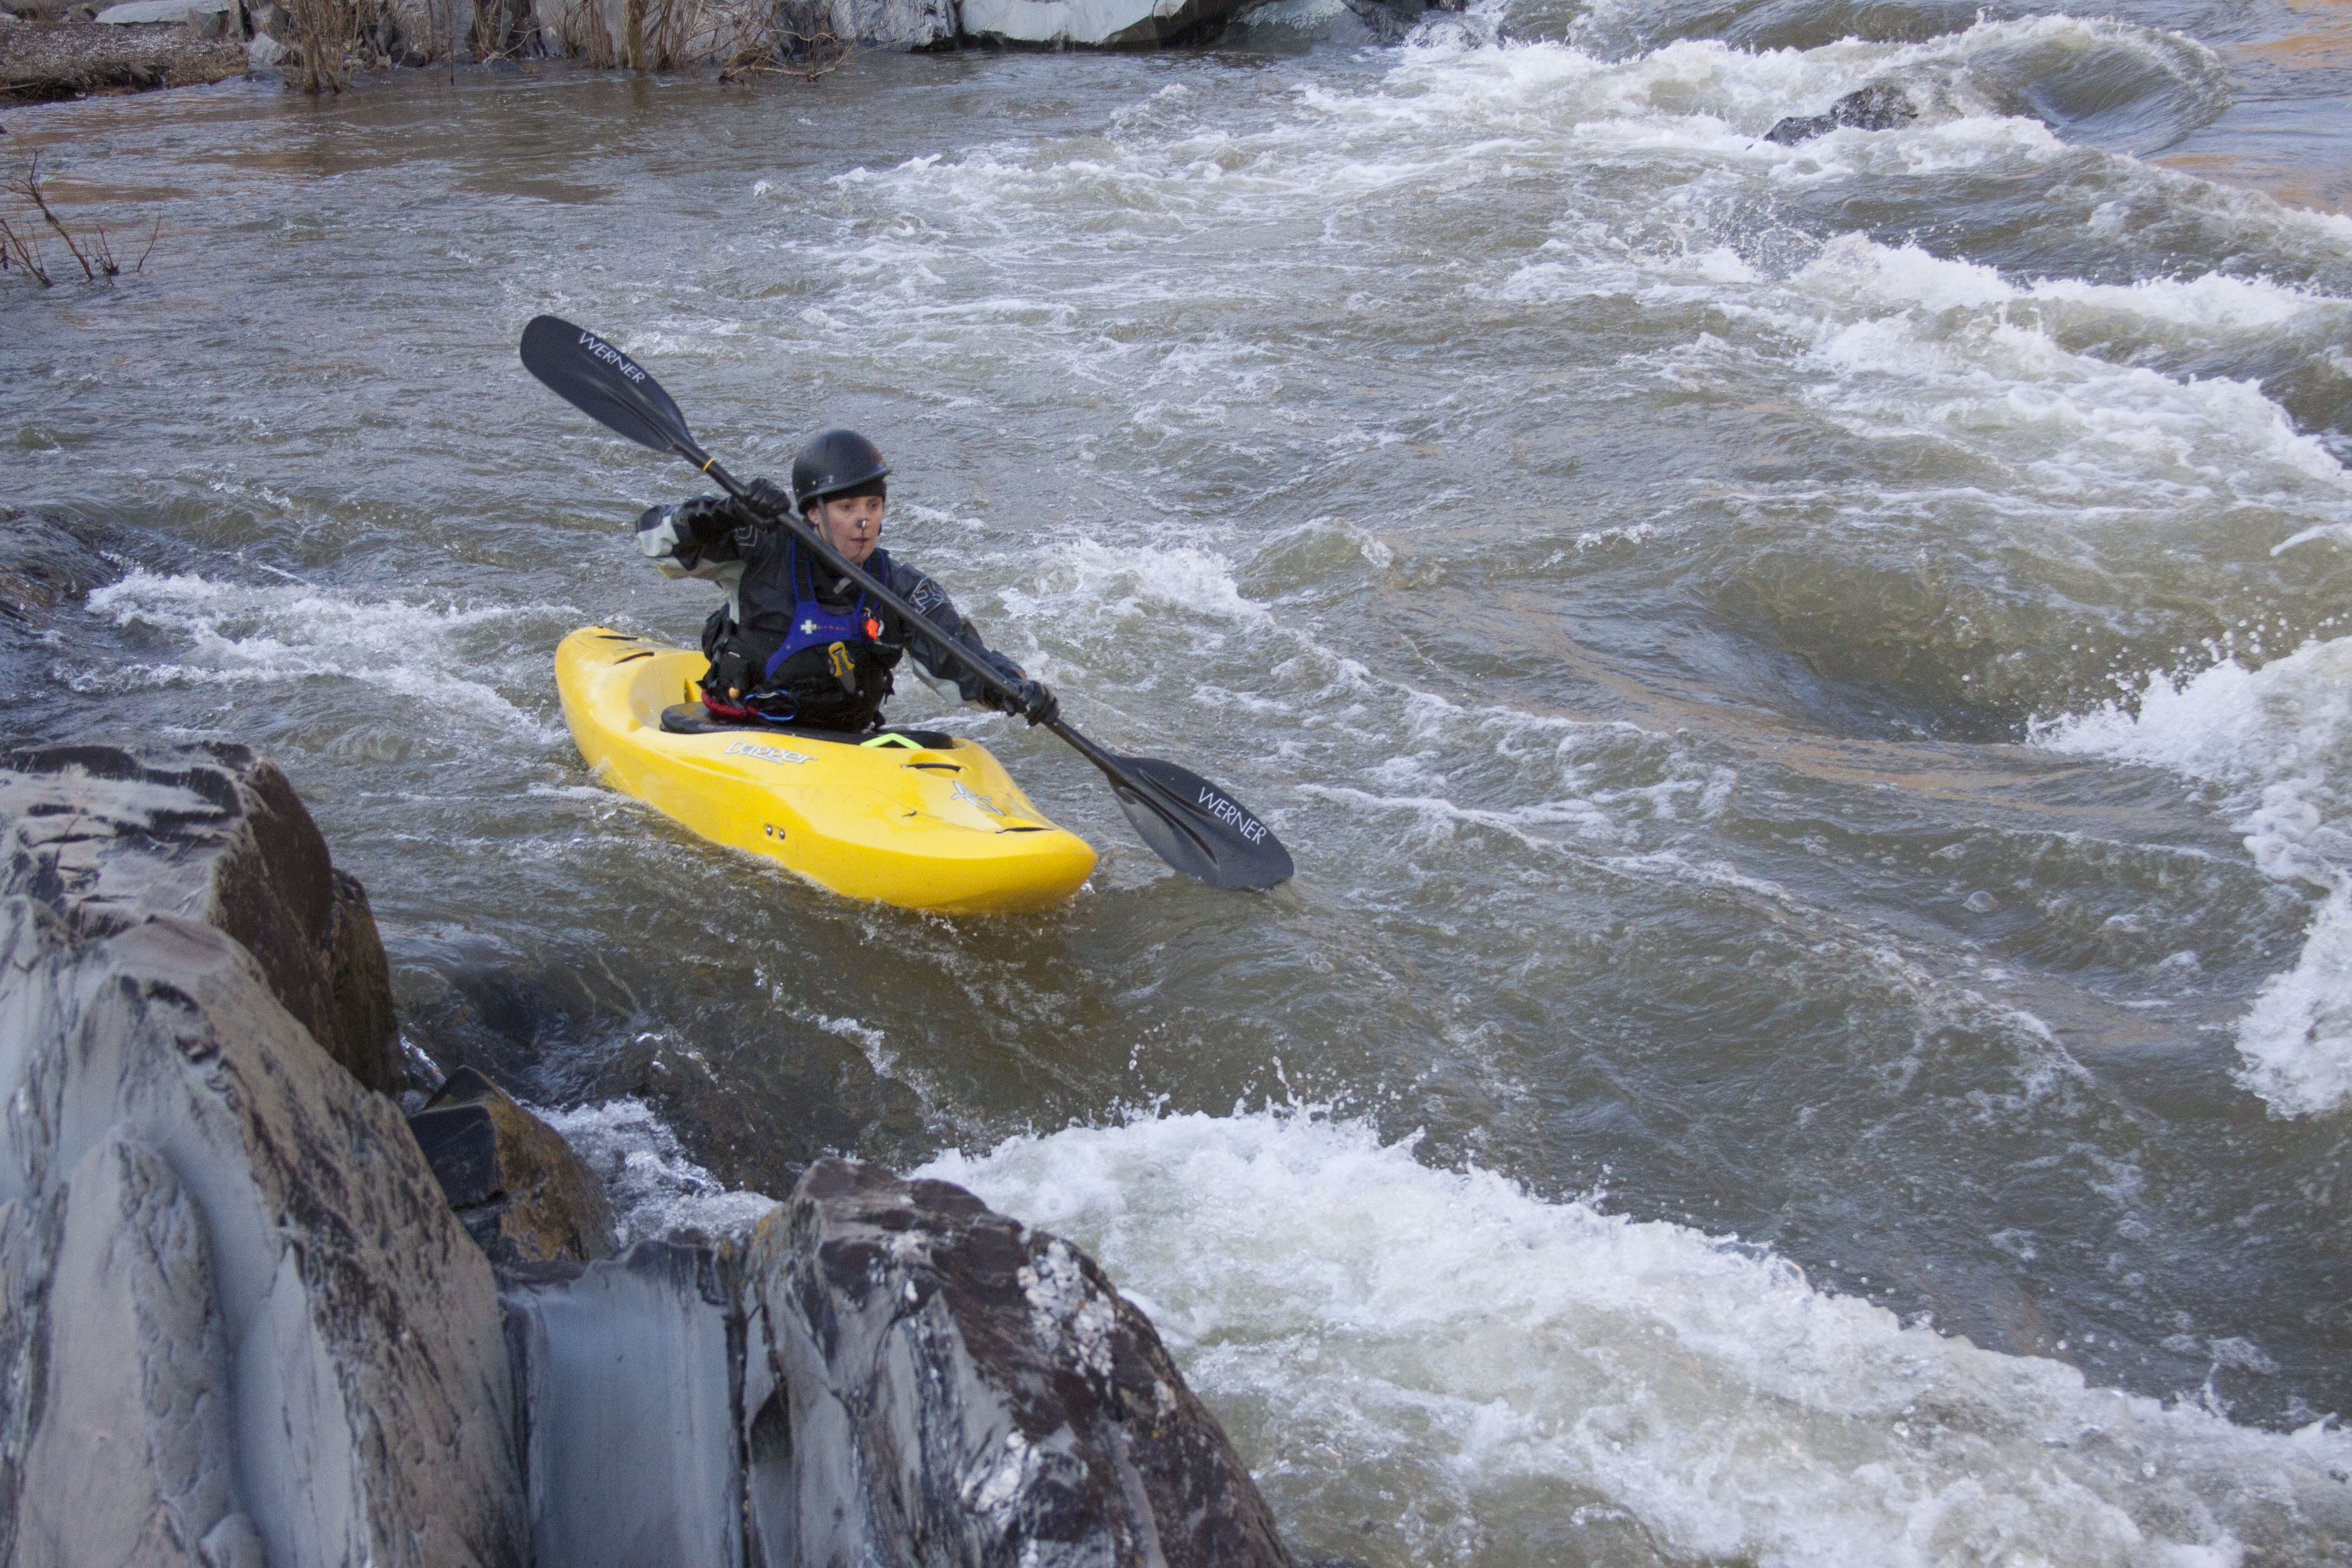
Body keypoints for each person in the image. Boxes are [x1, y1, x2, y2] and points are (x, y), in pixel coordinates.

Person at [633, 429, 1058, 734]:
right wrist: (727, 512)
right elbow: (655, 541)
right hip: (743, 731)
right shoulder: (760, 549)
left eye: (874, 505)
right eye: (847, 507)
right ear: (813, 513)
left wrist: (1013, 689)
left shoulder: (901, 589)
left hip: (841, 745)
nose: (864, 520)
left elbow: (961, 662)